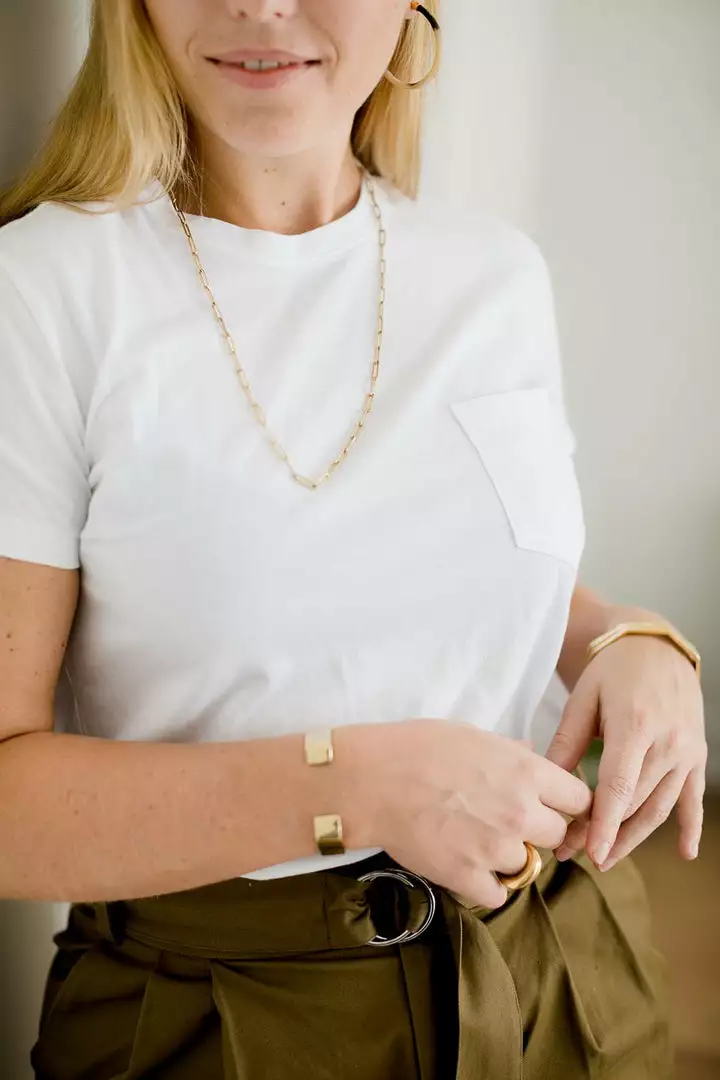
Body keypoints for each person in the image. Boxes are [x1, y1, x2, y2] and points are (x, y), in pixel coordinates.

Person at [0, 2, 707, 1078]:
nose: (260, 4)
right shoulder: (40, 291)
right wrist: (353, 788)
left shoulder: (496, 274)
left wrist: (626, 639)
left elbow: (458, 578)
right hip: (224, 1020)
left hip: (566, 980)